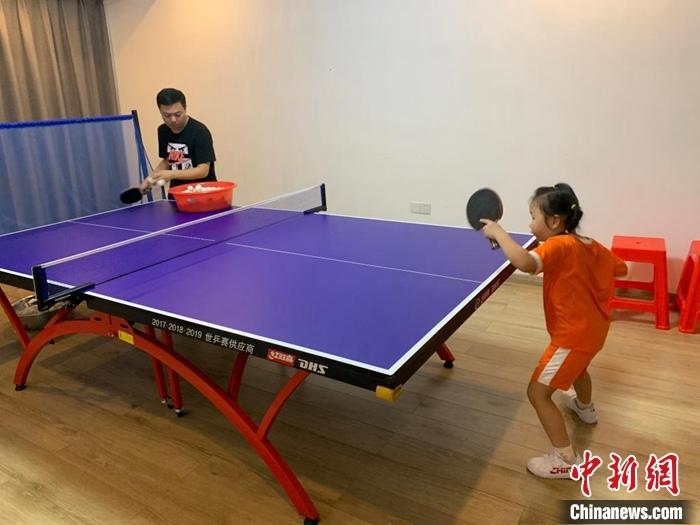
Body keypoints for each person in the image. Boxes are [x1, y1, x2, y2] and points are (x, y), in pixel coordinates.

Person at [480, 183, 627, 479]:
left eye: (533, 216)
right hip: (595, 330)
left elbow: (526, 263)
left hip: (571, 336)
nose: (530, 224)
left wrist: (499, 232)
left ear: (555, 221)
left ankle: (564, 459)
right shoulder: (589, 244)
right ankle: (585, 408)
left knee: (537, 393)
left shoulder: (559, 246)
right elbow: (621, 268)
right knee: (579, 369)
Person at [140, 88, 216, 195]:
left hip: (202, 193)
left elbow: (203, 170)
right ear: (160, 111)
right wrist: (149, 180)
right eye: (167, 115)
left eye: (177, 114)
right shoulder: (163, 130)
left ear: (185, 108)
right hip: (176, 194)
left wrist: (171, 174)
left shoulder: (200, 132)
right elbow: (168, 160)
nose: (173, 119)